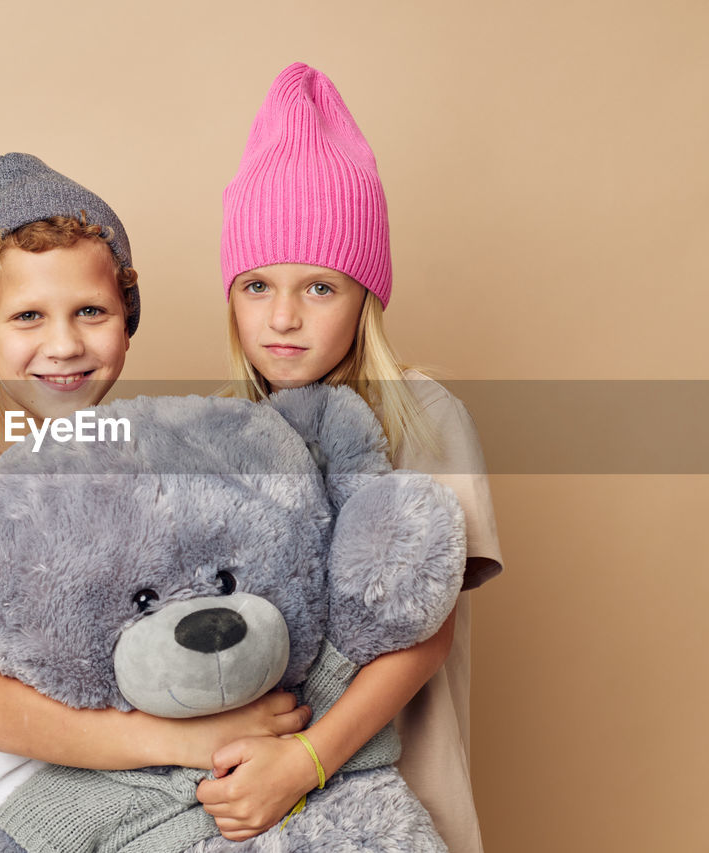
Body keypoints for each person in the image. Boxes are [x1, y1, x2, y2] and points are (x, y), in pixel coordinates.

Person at [0, 152, 310, 852]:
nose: (63, 343)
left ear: (128, 321)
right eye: (28, 316)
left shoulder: (145, 460)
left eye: (91, 311)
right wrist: (186, 740)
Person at [195, 62, 505, 853]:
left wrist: (303, 762)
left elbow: (423, 632)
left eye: (321, 287)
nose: (285, 318)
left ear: (366, 294)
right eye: (257, 285)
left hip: (399, 804)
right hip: (260, 819)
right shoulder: (223, 434)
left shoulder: (422, 415)